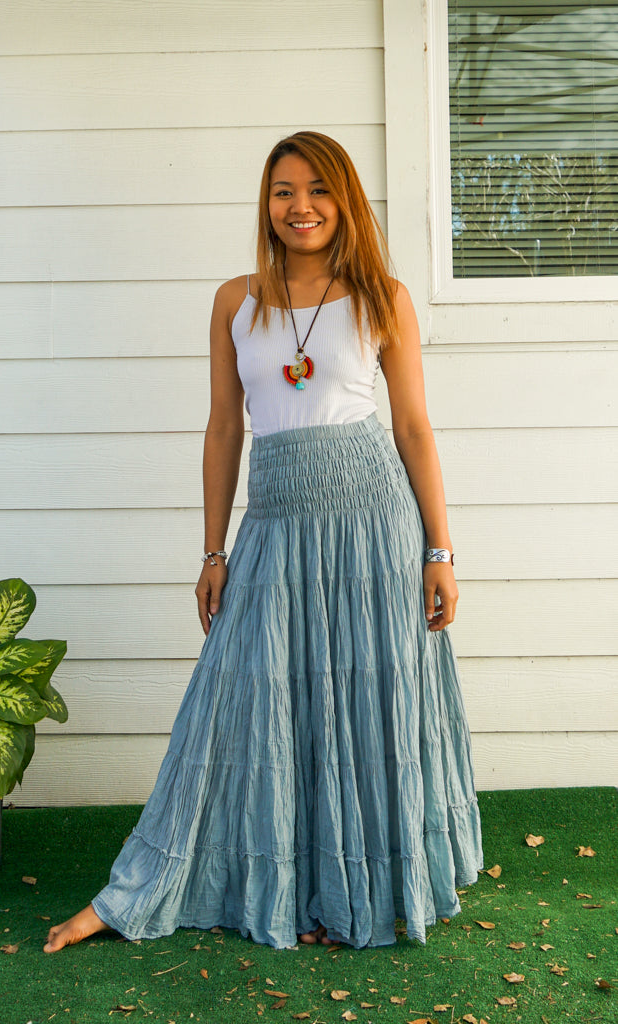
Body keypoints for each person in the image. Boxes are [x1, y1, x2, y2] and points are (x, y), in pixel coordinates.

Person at [44, 130, 484, 954]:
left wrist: (440, 551)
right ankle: (137, 892)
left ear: (345, 199)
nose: (301, 205)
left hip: (371, 522)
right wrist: (213, 553)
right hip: (276, 522)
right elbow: (223, 430)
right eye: (284, 190)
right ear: (266, 203)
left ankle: (359, 890)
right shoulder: (235, 301)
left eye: (318, 189)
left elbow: (415, 428)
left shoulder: (384, 297)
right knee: (244, 700)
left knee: (363, 706)